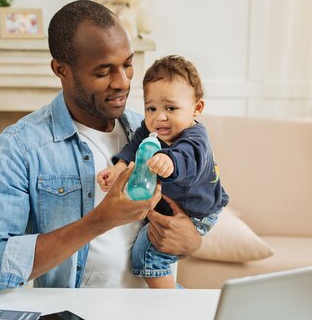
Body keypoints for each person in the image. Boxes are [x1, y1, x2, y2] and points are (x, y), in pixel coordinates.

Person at [0, 0, 202, 295]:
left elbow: (201, 208)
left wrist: (193, 241)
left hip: (159, 310)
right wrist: (100, 220)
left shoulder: (155, 131)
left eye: (128, 65)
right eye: (104, 72)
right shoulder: (20, 148)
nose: (122, 82)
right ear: (61, 70)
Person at [97, 56, 229, 288]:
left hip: (197, 212)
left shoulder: (195, 138)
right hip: (175, 205)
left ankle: (175, 306)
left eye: (171, 108)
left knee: (147, 256)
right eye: (151, 108)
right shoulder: (150, 130)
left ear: (196, 108)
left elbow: (188, 158)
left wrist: (169, 161)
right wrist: (118, 168)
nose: (160, 117)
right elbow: (134, 145)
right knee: (145, 253)